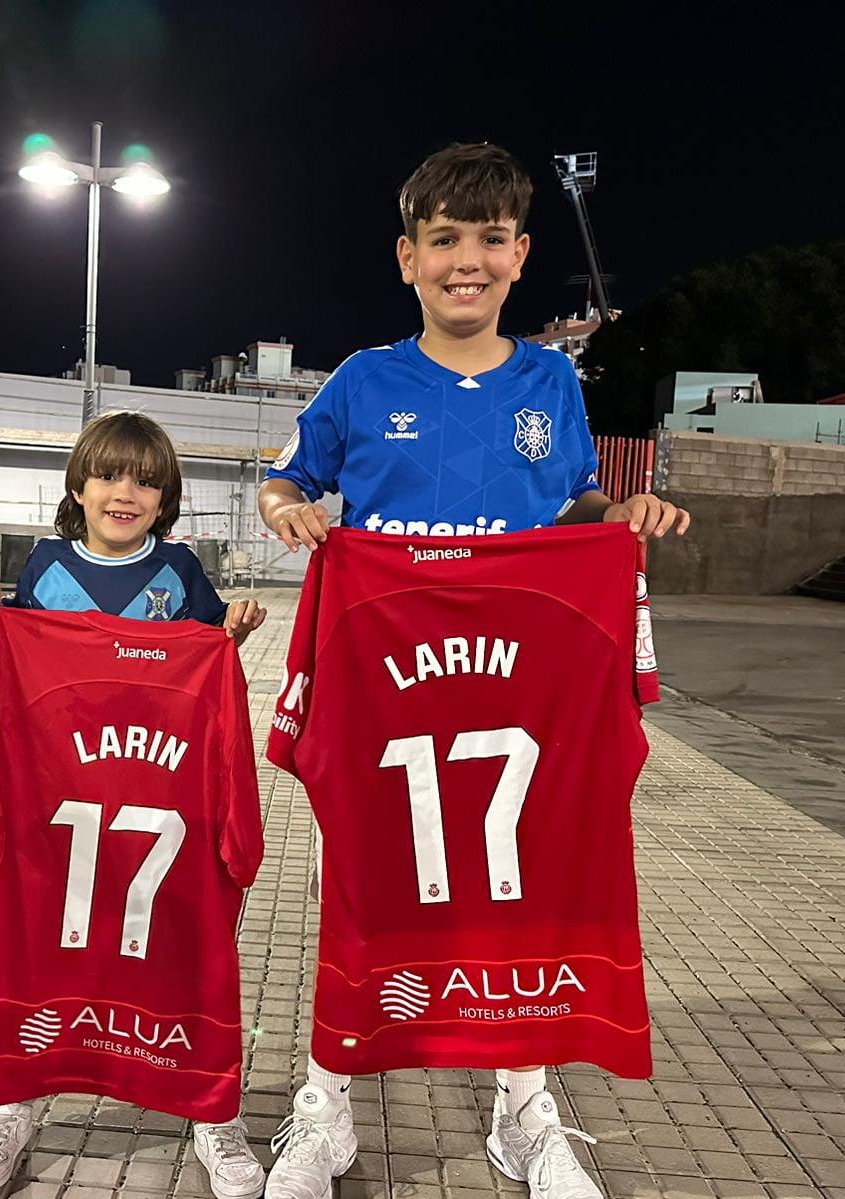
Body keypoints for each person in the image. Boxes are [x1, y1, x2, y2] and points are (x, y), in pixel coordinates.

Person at [257, 143, 690, 1199]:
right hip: (388, 689)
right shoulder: (364, 379)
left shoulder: (549, 378)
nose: (467, 259)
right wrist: (294, 513)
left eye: (488, 238)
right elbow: (282, 482)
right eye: (444, 238)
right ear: (408, 257)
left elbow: (574, 503)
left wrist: (616, 513)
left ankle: (522, 1111)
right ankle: (326, 1108)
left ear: (520, 252)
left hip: (513, 687)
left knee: (518, 888)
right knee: (356, 890)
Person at [0, 410, 267, 1198]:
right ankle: (9, 1102)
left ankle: (211, 1111)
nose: (126, 492)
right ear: (79, 484)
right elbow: (21, 671)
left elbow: (206, 681)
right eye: (110, 475)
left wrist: (233, 629)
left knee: (187, 951)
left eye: (147, 481)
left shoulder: (184, 571)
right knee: (27, 946)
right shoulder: (45, 566)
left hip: (162, 801)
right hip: (61, 804)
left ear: (166, 499)